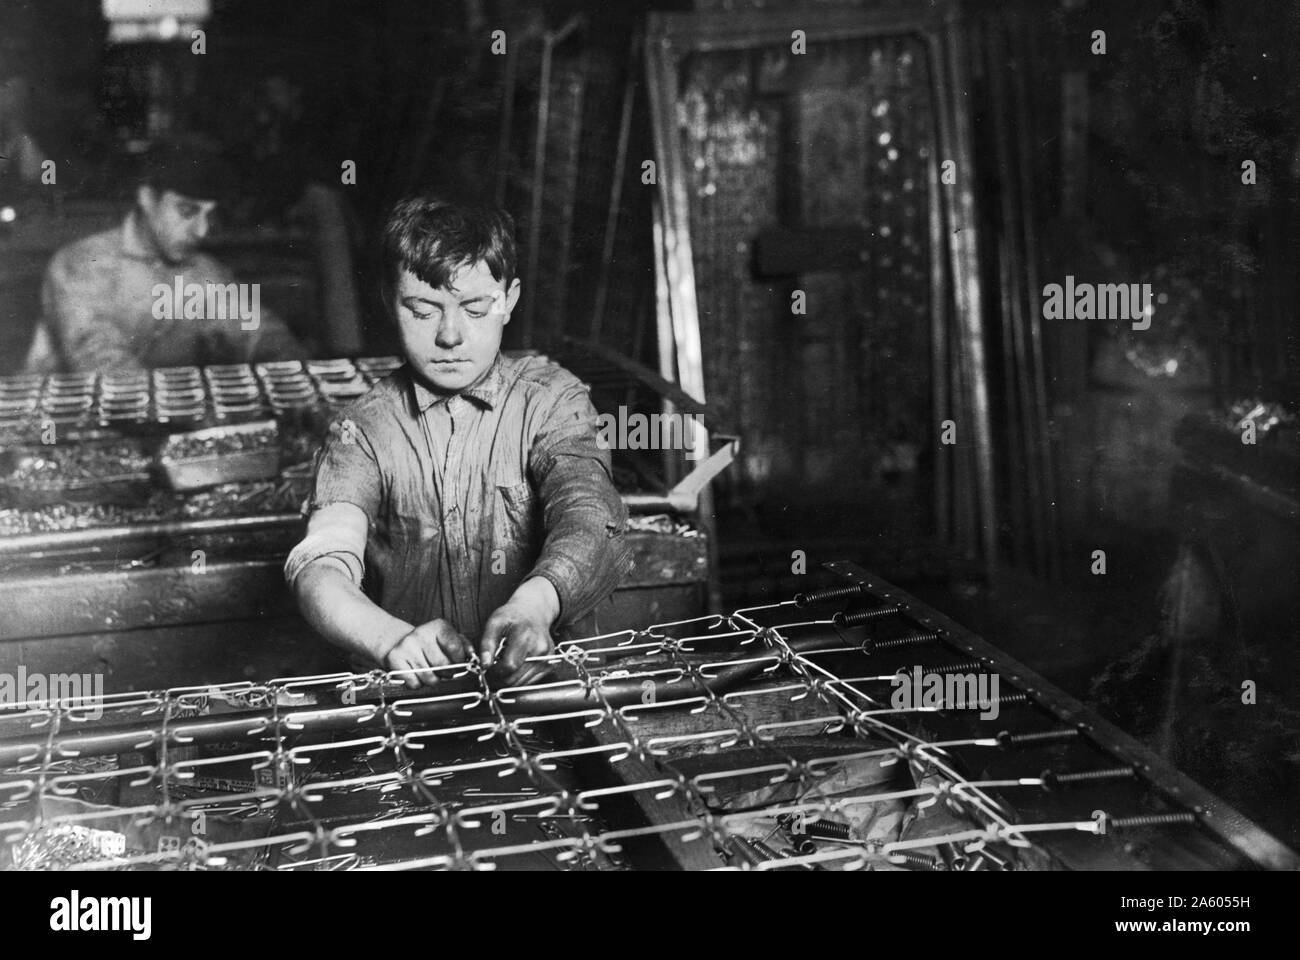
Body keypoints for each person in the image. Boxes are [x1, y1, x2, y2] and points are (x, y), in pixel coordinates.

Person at [284, 197, 632, 688]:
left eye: (474, 308)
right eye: (423, 311)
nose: (451, 335)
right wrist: (388, 639)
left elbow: (590, 515)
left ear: (509, 300)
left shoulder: (553, 401)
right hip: (409, 705)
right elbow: (320, 563)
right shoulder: (362, 429)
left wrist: (534, 605)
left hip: (544, 691)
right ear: (390, 301)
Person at [23, 142, 306, 373]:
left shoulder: (205, 273)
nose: (202, 230)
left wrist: (293, 370)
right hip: (61, 426)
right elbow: (100, 358)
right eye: (187, 211)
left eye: (210, 215)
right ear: (147, 198)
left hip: (161, 422)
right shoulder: (82, 263)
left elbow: (258, 332)